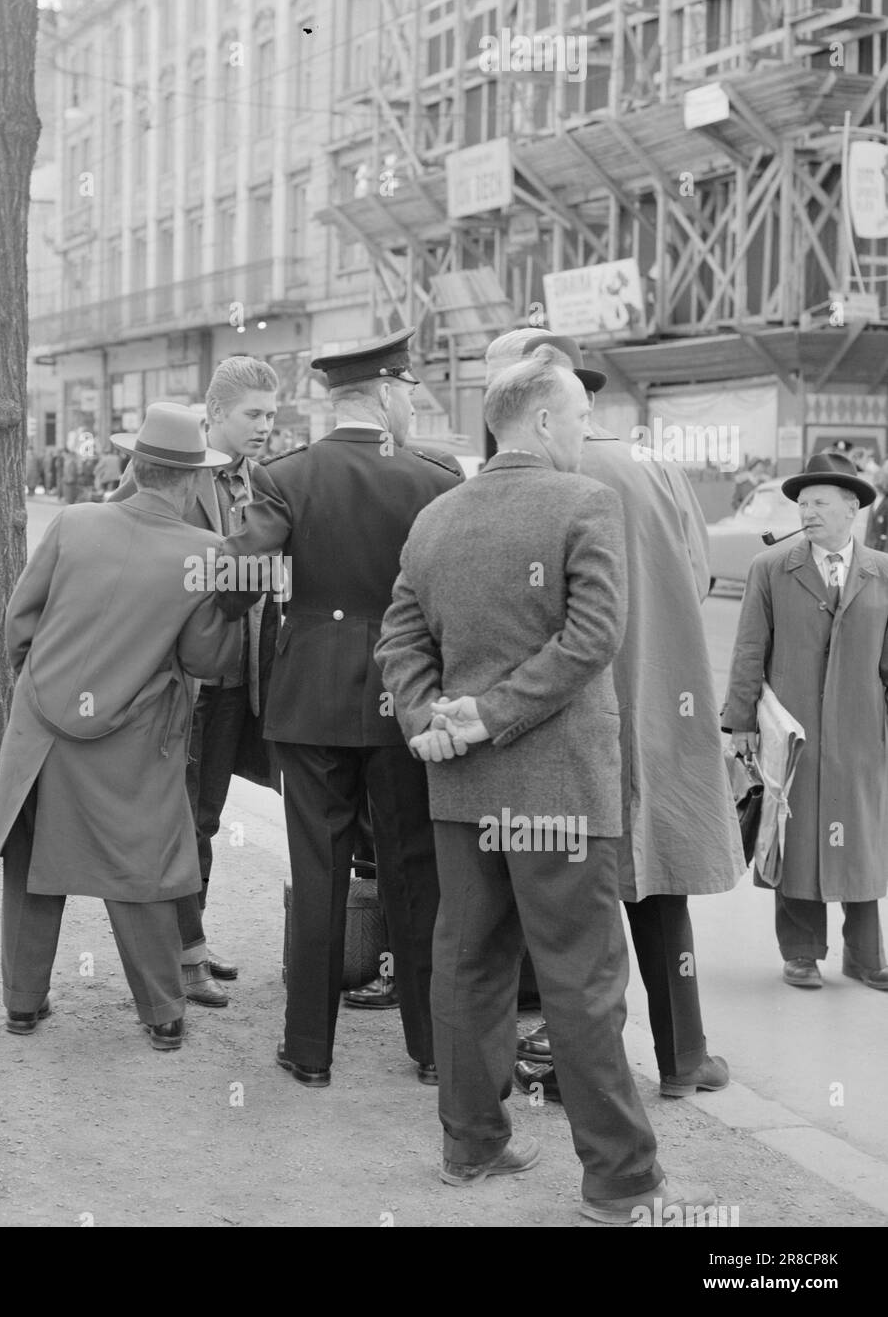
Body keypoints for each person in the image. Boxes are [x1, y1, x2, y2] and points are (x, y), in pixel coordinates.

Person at [376, 343, 713, 1223]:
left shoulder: (437, 516)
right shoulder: (584, 502)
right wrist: (490, 715)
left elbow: (398, 640)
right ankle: (621, 1181)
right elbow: (594, 637)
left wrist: (431, 719)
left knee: (469, 966)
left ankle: (471, 1144)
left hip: (461, 790)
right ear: (540, 418)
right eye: (579, 415)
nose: (585, 430)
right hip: (561, 790)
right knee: (583, 982)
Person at [481, 330, 742, 1105]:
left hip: (572, 710)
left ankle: (580, 1066)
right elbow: (697, 576)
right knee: (656, 881)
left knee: (575, 900)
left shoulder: (535, 477)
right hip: (661, 698)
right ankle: (684, 1058)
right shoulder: (654, 464)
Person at [218, 328, 463, 1088]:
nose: (411, 406)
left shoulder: (286, 474)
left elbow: (233, 584)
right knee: (412, 872)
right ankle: (432, 1048)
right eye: (408, 393)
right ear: (387, 393)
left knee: (318, 869)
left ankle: (309, 1050)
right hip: (406, 697)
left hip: (311, 699)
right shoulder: (435, 478)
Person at [0, 403, 240, 1052]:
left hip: (44, 729)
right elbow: (206, 658)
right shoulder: (205, 552)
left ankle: (22, 1004)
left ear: (133, 465)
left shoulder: (72, 523)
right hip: (134, 738)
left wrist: (43, 686)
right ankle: (163, 1014)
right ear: (193, 479)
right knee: (140, 870)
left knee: (31, 866)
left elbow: (18, 624)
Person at [108, 358, 281, 1007]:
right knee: (176, 820)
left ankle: (193, 944)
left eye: (271, 414)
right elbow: (119, 533)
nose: (264, 426)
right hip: (181, 680)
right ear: (215, 415)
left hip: (237, 680)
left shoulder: (264, 479)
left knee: (204, 819)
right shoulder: (173, 466)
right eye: (253, 415)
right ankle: (180, 957)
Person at [722, 453, 888, 990]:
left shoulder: (882, 571)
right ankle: (800, 952)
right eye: (803, 504)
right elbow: (749, 650)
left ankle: (866, 955)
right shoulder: (771, 568)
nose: (807, 512)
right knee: (794, 837)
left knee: (861, 838)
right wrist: (741, 724)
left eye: (819, 503)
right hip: (791, 733)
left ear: (852, 509)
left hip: (862, 732)